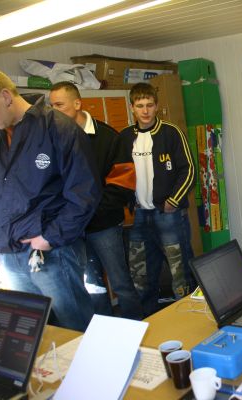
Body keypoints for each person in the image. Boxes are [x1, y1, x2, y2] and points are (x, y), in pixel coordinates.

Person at [0, 65, 100, 331]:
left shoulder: (58, 128)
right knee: (30, 331)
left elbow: (85, 192)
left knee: (74, 327)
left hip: (51, 250)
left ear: (5, 96)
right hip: (11, 255)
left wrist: (49, 237)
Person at [49, 82, 143, 320]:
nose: (54, 111)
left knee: (120, 281)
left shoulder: (108, 137)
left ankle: (137, 326)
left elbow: (122, 184)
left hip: (104, 225)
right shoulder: (54, 140)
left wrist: (90, 212)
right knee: (93, 285)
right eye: (51, 106)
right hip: (75, 229)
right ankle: (104, 331)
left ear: (77, 104)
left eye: (59, 105)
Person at [119, 82, 195, 316]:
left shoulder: (171, 133)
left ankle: (190, 317)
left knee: (180, 272)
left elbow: (189, 169)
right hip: (138, 217)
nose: (145, 111)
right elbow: (118, 174)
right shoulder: (124, 137)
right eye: (140, 105)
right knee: (140, 276)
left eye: (149, 105)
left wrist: (174, 200)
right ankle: (148, 321)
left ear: (157, 106)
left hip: (168, 214)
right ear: (132, 108)